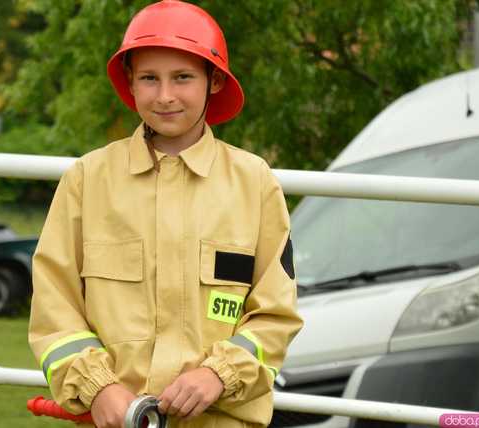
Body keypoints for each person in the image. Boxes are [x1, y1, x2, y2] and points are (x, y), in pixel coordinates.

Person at [28, 1, 303, 427]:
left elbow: (275, 314)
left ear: (213, 81)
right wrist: (98, 387)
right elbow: (54, 306)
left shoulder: (255, 184)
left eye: (183, 78)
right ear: (131, 84)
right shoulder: (87, 180)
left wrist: (219, 374)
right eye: (149, 79)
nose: (165, 96)